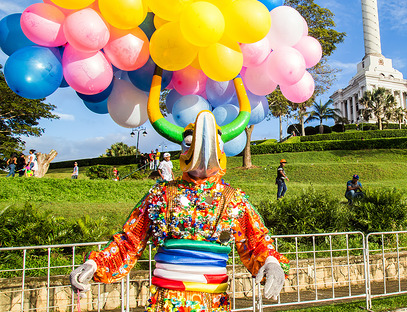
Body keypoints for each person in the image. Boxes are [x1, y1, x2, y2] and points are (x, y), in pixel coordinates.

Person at [70, 77, 287, 311]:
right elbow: (130, 240)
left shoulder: (233, 199)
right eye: (189, 144)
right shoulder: (161, 193)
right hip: (166, 301)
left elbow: (256, 241)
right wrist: (95, 263)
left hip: (213, 302)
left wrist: (272, 262)